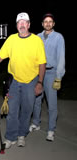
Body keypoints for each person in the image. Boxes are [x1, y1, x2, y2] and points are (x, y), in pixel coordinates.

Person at [0, 12, 47, 149]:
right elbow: (0, 56)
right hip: (14, 81)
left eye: (25, 22)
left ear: (29, 24)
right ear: (17, 25)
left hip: (31, 81)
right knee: (12, 111)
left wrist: (40, 82)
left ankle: (21, 135)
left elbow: (42, 64)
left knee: (26, 110)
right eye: (19, 22)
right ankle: (10, 137)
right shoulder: (11, 39)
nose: (22, 25)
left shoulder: (36, 41)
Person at [29, 13, 65, 141]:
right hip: (38, 73)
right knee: (36, 100)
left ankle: (51, 130)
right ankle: (36, 123)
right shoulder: (37, 37)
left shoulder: (58, 37)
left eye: (50, 21)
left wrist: (58, 76)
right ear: (42, 24)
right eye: (45, 21)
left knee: (52, 103)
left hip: (51, 73)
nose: (48, 23)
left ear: (53, 24)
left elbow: (61, 58)